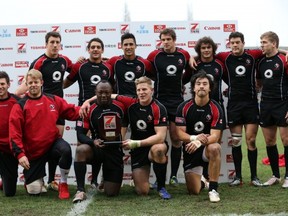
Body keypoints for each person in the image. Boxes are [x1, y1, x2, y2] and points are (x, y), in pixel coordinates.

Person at [190, 32, 264, 187]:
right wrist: (193, 57)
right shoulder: (225, 57)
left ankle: (254, 177)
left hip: (250, 105)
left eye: (238, 42)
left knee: (251, 140)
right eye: (232, 43)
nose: (235, 45)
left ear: (243, 43)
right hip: (233, 106)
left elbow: (270, 50)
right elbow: (204, 56)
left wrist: (285, 51)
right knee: (236, 141)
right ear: (229, 44)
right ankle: (238, 177)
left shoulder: (253, 55)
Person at [81, 76, 171, 199]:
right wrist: (88, 101)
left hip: (150, 145)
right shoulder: (131, 103)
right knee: (142, 191)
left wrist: (136, 143)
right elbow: (108, 94)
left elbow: (160, 137)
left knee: (159, 149)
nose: (141, 93)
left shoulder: (159, 108)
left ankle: (161, 187)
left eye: (144, 89)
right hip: (138, 151)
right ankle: (138, 180)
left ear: (152, 90)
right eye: (139, 90)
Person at [15, 31, 74, 191]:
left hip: (57, 108)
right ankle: (38, 175)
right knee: (43, 142)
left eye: (57, 42)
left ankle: (52, 179)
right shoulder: (39, 62)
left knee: (55, 142)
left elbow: (74, 72)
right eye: (52, 42)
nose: (55, 45)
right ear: (46, 44)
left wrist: (63, 85)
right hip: (42, 109)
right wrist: (15, 94)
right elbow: (29, 81)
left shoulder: (64, 60)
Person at [9, 69, 80, 199]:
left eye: (36, 82)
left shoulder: (53, 99)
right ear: (27, 84)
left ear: (41, 82)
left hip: (52, 145)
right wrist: (20, 154)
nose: (33, 85)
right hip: (34, 152)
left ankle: (63, 183)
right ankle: (35, 179)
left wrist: (88, 108)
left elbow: (72, 112)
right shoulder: (20, 106)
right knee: (35, 191)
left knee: (65, 149)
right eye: (30, 83)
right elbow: (14, 134)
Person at [63, 37, 114, 189]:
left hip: (102, 110)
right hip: (84, 110)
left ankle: (94, 181)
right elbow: (66, 82)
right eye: (92, 47)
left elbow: (113, 88)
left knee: (100, 143)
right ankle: (82, 184)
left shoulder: (109, 66)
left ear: (102, 50)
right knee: (82, 145)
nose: (95, 49)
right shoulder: (80, 66)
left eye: (98, 47)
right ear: (88, 50)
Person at [147, 28, 192, 186]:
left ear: (174, 40)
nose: (165, 42)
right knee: (159, 140)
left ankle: (173, 176)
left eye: (168, 39)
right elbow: (148, 71)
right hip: (159, 102)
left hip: (177, 103)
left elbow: (190, 72)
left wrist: (181, 82)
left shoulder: (184, 55)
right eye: (163, 39)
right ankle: (159, 178)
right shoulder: (154, 55)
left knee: (176, 138)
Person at [73, 80, 126, 203]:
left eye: (107, 92)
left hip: (114, 151)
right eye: (100, 92)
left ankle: (105, 179)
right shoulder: (88, 109)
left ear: (111, 93)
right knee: (81, 149)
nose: (103, 95)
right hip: (97, 148)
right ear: (95, 93)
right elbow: (80, 134)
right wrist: (93, 142)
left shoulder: (121, 106)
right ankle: (80, 190)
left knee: (111, 193)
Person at [175, 70, 224, 202]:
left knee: (215, 147)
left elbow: (215, 136)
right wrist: (194, 138)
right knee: (194, 191)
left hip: (205, 147)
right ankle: (203, 180)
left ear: (210, 88)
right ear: (193, 88)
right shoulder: (184, 107)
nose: (201, 86)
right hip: (190, 149)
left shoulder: (216, 108)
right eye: (198, 84)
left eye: (205, 84)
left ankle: (213, 189)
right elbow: (179, 133)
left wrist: (200, 142)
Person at [183, 36, 226, 184]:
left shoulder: (219, 65)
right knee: (198, 137)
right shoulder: (194, 64)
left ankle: (209, 177)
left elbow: (231, 79)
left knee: (215, 143)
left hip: (216, 108)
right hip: (197, 108)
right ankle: (199, 174)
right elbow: (182, 80)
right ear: (199, 50)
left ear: (213, 49)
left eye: (209, 47)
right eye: (203, 48)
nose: (206, 50)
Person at [256, 31, 288, 188]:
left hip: (282, 104)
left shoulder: (284, 60)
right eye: (261, 42)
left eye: (264, 42)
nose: (261, 45)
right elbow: (259, 83)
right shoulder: (260, 62)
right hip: (266, 105)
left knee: (286, 140)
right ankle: (275, 175)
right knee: (269, 141)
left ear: (274, 43)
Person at [0, 71, 19, 196]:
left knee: (10, 193)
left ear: (8, 85)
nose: (0, 87)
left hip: (9, 150)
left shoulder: (17, 101)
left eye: (2, 84)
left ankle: (5, 181)